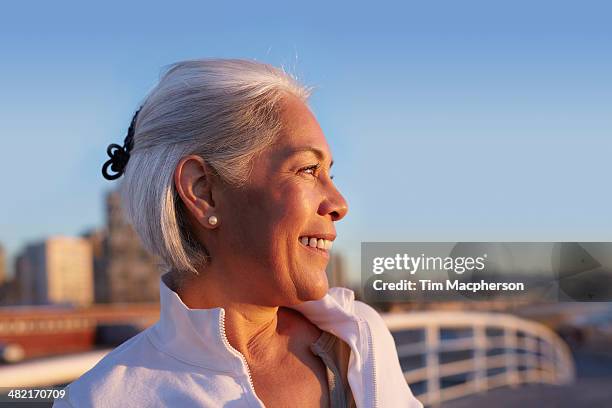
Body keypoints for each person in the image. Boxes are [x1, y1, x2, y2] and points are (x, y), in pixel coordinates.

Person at [53, 59, 422, 408]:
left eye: (330, 174)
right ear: (203, 191)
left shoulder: (358, 339)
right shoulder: (100, 400)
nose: (339, 203)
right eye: (308, 170)